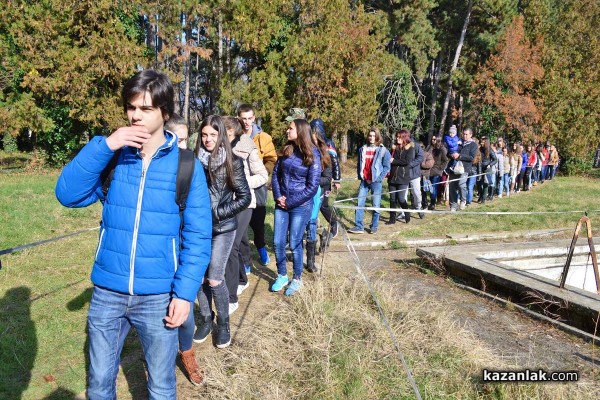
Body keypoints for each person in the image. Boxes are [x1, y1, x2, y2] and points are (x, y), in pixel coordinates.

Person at [55, 70, 212, 397]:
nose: (135, 115)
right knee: (98, 384)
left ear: (164, 113)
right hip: (107, 293)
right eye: (131, 107)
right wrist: (107, 145)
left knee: (161, 385)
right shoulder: (112, 157)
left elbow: (197, 237)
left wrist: (184, 294)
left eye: (145, 109)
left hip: (158, 296)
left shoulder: (186, 167)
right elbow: (67, 194)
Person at [187, 115, 251, 349]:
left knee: (214, 278)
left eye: (213, 135)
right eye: (204, 134)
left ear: (221, 135)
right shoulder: (193, 161)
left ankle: (223, 323)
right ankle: (206, 318)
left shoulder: (233, 161)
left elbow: (244, 198)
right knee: (199, 277)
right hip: (196, 228)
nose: (208, 139)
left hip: (223, 227)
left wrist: (217, 213)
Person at [223, 116, 268, 314]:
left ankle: (231, 297)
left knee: (231, 245)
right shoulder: (215, 147)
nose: (223, 136)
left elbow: (263, 176)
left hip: (244, 202)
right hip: (225, 203)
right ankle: (242, 278)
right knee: (238, 244)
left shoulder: (247, 147)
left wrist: (240, 182)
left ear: (235, 133)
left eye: (227, 133)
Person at [271, 118, 321, 296]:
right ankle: (282, 274)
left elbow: (312, 187)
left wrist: (290, 202)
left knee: (294, 242)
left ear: (300, 131)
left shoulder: (313, 154)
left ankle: (297, 278)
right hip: (281, 203)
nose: (287, 131)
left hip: (300, 205)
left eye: (290, 128)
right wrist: (278, 196)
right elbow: (276, 175)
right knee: (277, 241)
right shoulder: (287, 150)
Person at [237, 104, 278, 268]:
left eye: (249, 118)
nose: (246, 122)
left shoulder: (263, 137)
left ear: (254, 118)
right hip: (240, 186)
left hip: (258, 186)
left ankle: (262, 252)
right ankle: (245, 262)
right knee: (242, 225)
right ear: (239, 118)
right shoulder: (235, 135)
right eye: (243, 118)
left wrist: (261, 173)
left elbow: (272, 159)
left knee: (258, 223)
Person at [348, 128, 391, 234]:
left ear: (377, 137)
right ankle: (359, 226)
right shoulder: (362, 149)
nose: (371, 138)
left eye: (373, 135)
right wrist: (360, 176)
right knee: (359, 203)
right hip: (364, 181)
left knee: (376, 205)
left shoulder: (383, 150)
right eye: (370, 135)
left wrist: (379, 178)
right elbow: (360, 164)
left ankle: (374, 226)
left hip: (376, 182)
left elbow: (386, 167)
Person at [305, 128, 332, 272]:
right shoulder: (303, 154)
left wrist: (312, 181)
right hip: (303, 194)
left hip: (317, 193)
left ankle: (310, 262)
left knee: (311, 223)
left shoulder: (325, 156)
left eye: (314, 141)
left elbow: (328, 178)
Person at [310, 118, 341, 241]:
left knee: (323, 205)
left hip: (325, 180)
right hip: (314, 180)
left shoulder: (329, 144)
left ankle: (334, 223)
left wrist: (337, 180)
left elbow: (335, 163)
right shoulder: (310, 145)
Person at [386, 129, 415, 224]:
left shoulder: (410, 149)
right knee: (392, 199)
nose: (397, 138)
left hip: (403, 178)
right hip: (392, 177)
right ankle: (392, 219)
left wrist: (394, 161)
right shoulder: (394, 148)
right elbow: (390, 158)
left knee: (401, 198)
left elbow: (406, 161)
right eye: (397, 137)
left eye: (399, 137)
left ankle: (407, 214)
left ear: (404, 138)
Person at [448, 128, 478, 211]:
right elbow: (449, 151)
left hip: (464, 168)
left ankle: (463, 200)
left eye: (466, 134)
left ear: (471, 135)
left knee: (461, 185)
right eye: (464, 134)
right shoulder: (457, 142)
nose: (464, 136)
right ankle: (453, 205)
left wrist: (460, 156)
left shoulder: (473, 145)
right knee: (452, 187)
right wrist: (452, 154)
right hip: (453, 167)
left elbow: (471, 158)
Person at [427, 135, 448, 210]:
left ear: (438, 140)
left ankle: (432, 203)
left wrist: (440, 169)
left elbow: (445, 160)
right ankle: (427, 201)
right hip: (428, 170)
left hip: (436, 171)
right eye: (432, 139)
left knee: (434, 187)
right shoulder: (429, 147)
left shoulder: (442, 149)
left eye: (434, 139)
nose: (433, 140)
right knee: (429, 187)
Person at [476, 138, 498, 204]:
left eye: (483, 142)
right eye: (481, 142)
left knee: (486, 183)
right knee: (479, 183)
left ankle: (483, 198)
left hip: (487, 169)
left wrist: (490, 164)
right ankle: (481, 195)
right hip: (479, 168)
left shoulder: (490, 150)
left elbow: (495, 160)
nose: (481, 143)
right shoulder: (479, 149)